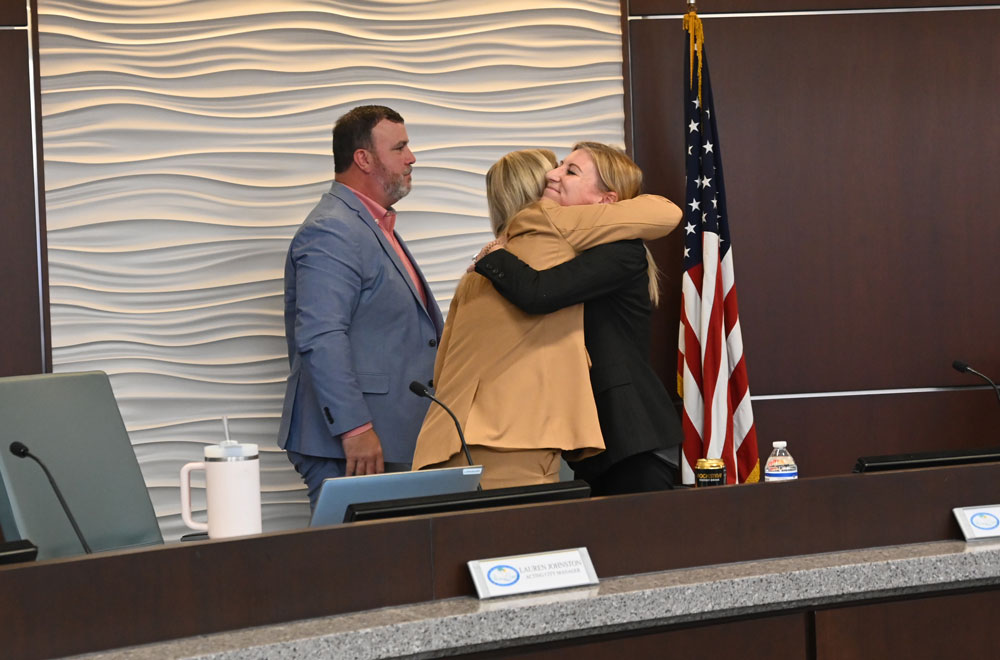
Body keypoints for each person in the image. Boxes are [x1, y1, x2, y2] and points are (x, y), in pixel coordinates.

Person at [411, 146, 682, 490]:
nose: (553, 176)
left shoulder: (618, 252)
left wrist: (494, 256)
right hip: (594, 444)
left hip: (630, 434)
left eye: (570, 171)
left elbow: (539, 293)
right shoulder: (552, 251)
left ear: (606, 201)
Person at [278, 105, 444, 507]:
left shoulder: (371, 224)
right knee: (351, 566)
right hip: (352, 447)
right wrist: (355, 429)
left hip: (385, 440)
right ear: (364, 158)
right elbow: (322, 335)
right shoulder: (333, 228)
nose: (412, 158)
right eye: (400, 147)